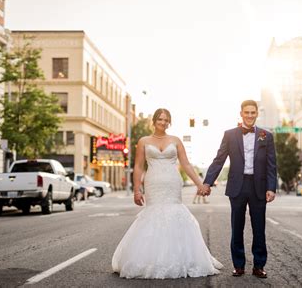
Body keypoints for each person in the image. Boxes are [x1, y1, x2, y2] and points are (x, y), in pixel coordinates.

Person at [112, 108, 223, 279]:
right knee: (154, 215)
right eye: (160, 119)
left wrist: (200, 185)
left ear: (169, 122)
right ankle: (152, 260)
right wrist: (136, 190)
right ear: (154, 121)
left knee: (174, 213)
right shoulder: (143, 141)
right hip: (153, 184)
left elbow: (186, 165)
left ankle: (179, 259)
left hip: (172, 183)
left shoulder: (176, 140)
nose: (163, 123)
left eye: (166, 120)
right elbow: (139, 166)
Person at [203, 100, 278, 279]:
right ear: (241, 113)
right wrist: (207, 182)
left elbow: (271, 165)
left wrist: (271, 187)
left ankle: (259, 265)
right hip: (237, 185)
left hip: (259, 186)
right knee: (237, 227)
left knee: (259, 228)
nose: (250, 115)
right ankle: (238, 265)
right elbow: (219, 160)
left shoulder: (266, 136)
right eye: (247, 112)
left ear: (257, 113)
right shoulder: (229, 135)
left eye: (253, 112)